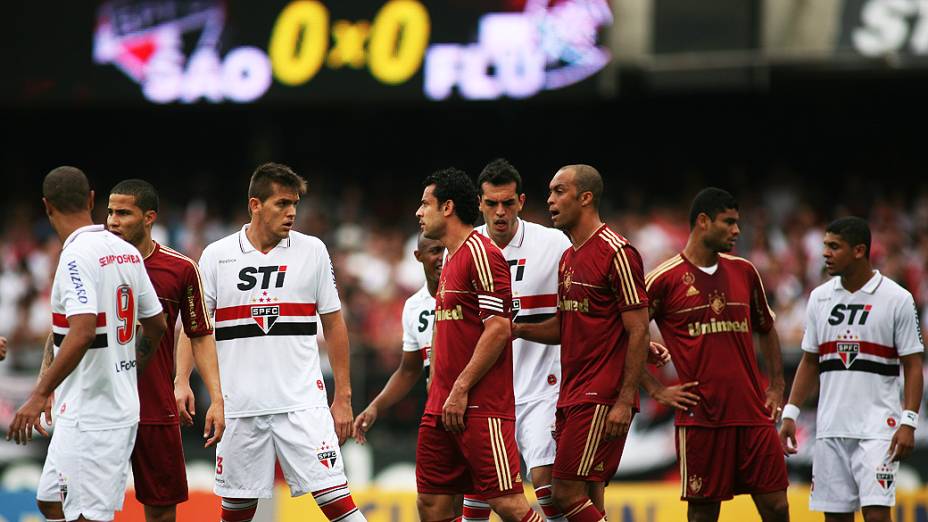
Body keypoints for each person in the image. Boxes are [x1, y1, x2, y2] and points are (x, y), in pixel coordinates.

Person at [197, 163, 364, 522]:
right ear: (255, 205)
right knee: (237, 514)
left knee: (338, 505)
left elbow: (334, 323)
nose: (291, 213)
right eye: (282, 204)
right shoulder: (216, 255)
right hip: (238, 407)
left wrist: (344, 397)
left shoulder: (313, 250)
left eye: (295, 204)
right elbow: (195, 330)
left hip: (301, 404)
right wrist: (185, 383)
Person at [8, 166, 167, 522]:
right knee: (51, 503)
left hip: (95, 417)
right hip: (88, 408)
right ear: (93, 199)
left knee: (86, 517)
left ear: (47, 207)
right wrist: (129, 366)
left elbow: (81, 332)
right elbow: (156, 323)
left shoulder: (75, 256)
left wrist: (38, 394)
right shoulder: (124, 250)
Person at [642, 187, 790, 522]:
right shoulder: (663, 279)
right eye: (729, 222)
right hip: (701, 418)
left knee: (777, 506)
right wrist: (654, 389)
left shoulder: (745, 271)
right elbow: (626, 335)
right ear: (704, 221)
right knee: (703, 514)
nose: (737, 230)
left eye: (738, 223)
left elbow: (766, 327)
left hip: (752, 412)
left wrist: (777, 386)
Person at [513, 164, 650, 522]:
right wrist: (518, 330)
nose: (550, 200)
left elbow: (638, 329)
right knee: (589, 493)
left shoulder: (617, 252)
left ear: (585, 197)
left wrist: (624, 400)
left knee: (564, 492)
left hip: (600, 395)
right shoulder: (569, 257)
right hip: (572, 393)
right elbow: (568, 325)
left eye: (559, 191)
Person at [414, 167, 542, 522]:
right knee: (431, 504)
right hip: (441, 405)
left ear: (448, 207)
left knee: (509, 504)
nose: (418, 212)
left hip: (479, 405)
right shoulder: (451, 257)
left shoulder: (482, 253)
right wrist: (438, 388)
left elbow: (499, 328)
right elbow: (446, 332)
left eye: (425, 203)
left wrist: (460, 387)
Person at [779, 217, 924, 522]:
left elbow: (912, 365)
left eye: (834, 246)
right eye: (825, 246)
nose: (825, 253)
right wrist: (790, 412)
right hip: (831, 427)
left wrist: (909, 420)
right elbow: (809, 360)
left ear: (859, 250)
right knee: (835, 519)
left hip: (878, 430)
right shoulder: (820, 298)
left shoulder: (897, 299)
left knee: (876, 516)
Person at [103, 179, 225, 522]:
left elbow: (199, 333)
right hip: (100, 403)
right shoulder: (90, 263)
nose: (113, 220)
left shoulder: (181, 269)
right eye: (110, 212)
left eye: (124, 213)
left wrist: (215, 398)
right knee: (86, 507)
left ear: (149, 217)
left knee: (160, 511)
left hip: (154, 405)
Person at [464, 158, 572, 522]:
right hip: (488, 392)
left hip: (543, 385)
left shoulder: (554, 243)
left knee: (548, 488)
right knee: (479, 495)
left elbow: (574, 317)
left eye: (508, 203)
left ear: (521, 202)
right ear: (479, 203)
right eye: (491, 203)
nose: (500, 212)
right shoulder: (466, 247)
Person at [353, 233, 445, 443]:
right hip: (436, 412)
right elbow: (409, 370)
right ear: (418, 256)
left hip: (475, 409)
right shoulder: (414, 305)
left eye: (446, 250)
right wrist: (375, 406)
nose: (442, 257)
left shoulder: (469, 295)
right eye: (435, 251)